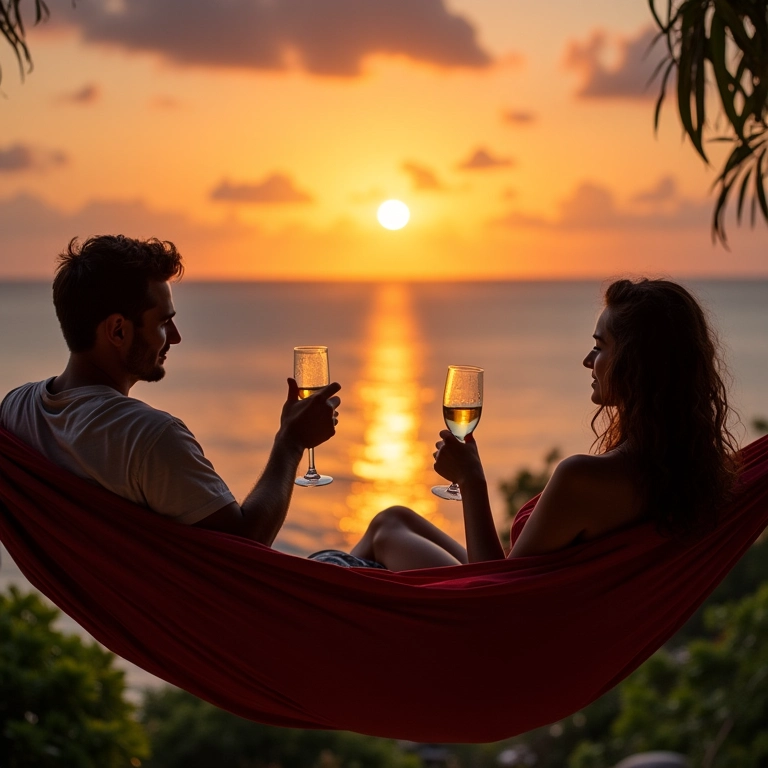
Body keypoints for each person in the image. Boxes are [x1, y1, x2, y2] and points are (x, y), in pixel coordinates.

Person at [342, 278, 741, 571]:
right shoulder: (689, 474)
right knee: (393, 518)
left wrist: (471, 481)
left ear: (636, 364)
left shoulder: (583, 477)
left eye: (600, 347)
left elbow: (497, 593)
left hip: (495, 628)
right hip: (544, 615)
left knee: (382, 537)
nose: (588, 360)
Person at [0, 235, 341, 546]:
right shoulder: (149, 437)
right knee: (372, 544)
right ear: (118, 331)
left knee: (376, 534)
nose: (175, 337)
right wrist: (291, 441)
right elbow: (245, 547)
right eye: (163, 322)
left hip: (88, 590)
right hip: (183, 595)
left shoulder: (16, 408)